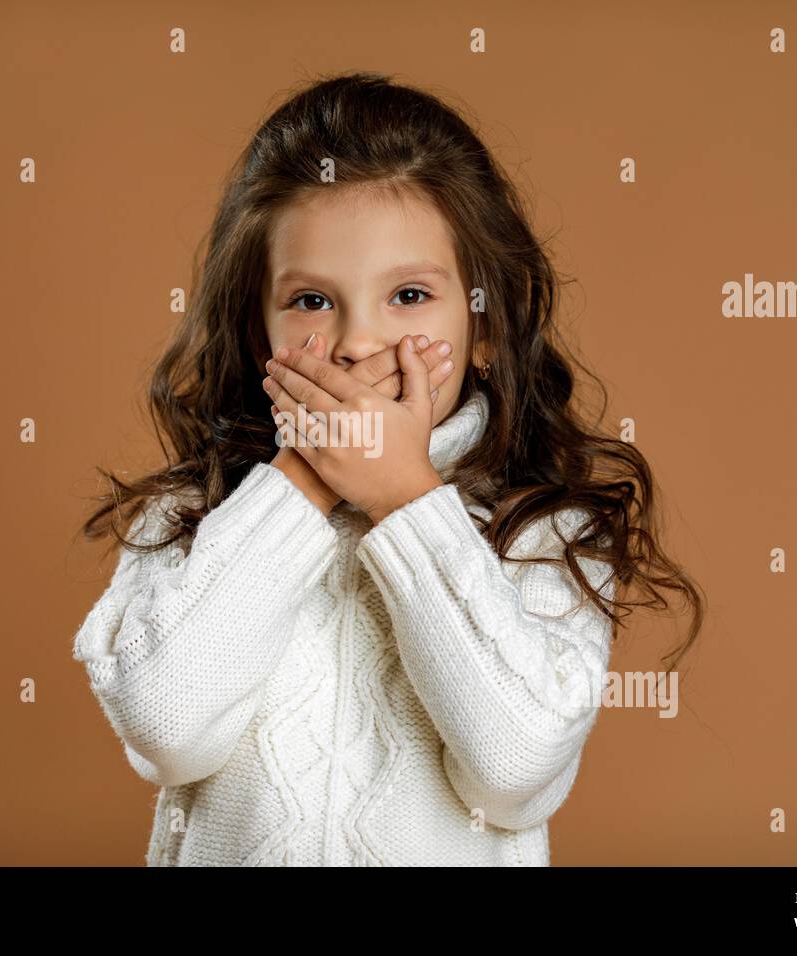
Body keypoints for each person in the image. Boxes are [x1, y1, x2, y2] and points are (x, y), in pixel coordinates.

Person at [72, 71, 703, 866]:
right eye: (311, 301)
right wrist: (302, 480)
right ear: (258, 332)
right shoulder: (194, 518)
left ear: (486, 331)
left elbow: (514, 769)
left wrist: (408, 500)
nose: (357, 343)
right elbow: (166, 727)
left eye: (408, 294)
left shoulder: (542, 532)